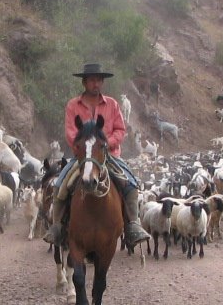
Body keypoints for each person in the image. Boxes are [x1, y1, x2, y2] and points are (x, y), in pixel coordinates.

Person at [43, 63, 152, 249]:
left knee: (131, 185)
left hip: (109, 155)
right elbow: (70, 132)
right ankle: (56, 227)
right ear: (84, 82)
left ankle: (133, 225)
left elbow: (120, 130)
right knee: (60, 184)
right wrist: (84, 147)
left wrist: (105, 144)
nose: (96, 84)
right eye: (92, 80)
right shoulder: (72, 105)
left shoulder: (112, 104)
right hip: (82, 156)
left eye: (99, 80)